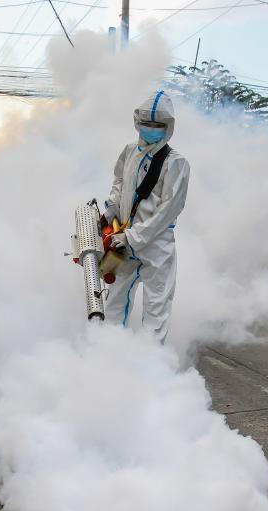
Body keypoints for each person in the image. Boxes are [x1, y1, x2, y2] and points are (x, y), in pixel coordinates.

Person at [102, 90, 190, 343]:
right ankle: (106, 356)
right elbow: (119, 180)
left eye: (158, 125)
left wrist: (132, 236)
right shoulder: (130, 151)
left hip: (155, 247)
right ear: (137, 122)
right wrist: (112, 206)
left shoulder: (177, 163)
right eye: (146, 123)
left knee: (156, 312)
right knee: (114, 303)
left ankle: (151, 371)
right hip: (122, 242)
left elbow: (169, 209)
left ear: (168, 127)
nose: (151, 129)